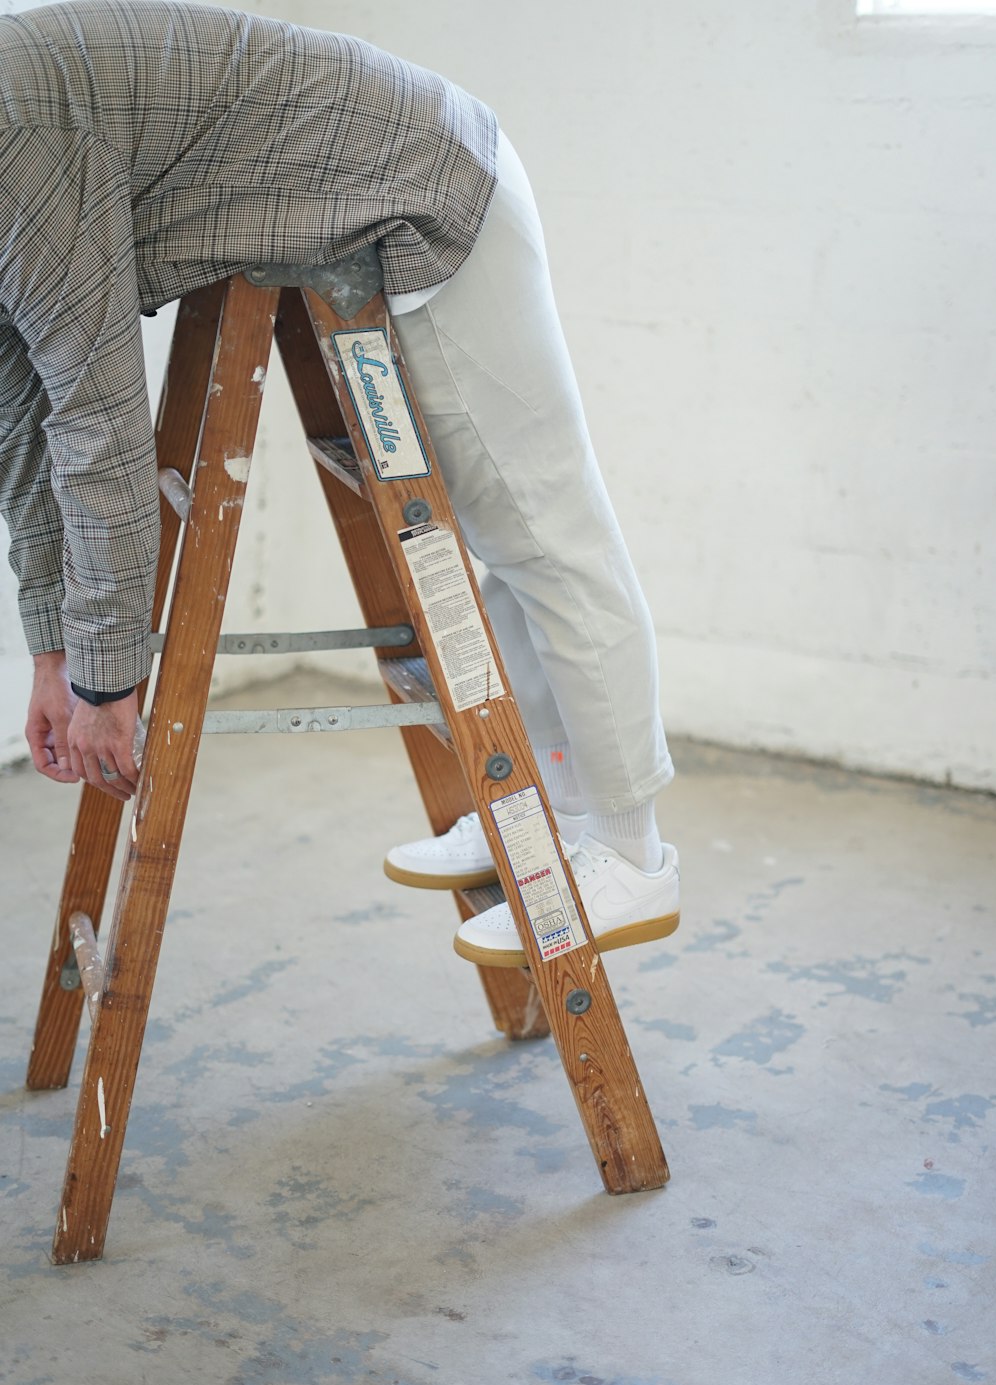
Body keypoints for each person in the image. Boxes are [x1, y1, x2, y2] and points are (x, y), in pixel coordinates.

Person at [0, 0, 679, 967]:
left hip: (430, 186)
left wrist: (109, 682)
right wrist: (53, 652)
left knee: (545, 533)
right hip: (360, 186)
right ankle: (549, 816)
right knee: (509, 542)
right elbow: (21, 419)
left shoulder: (14, 133)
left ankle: (629, 850)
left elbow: (96, 419)